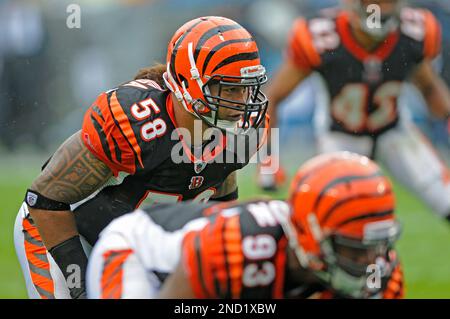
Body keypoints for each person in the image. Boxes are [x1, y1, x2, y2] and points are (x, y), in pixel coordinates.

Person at [14, 16, 270, 299]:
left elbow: (219, 192)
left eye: (247, 87)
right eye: (230, 88)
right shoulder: (136, 124)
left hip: (137, 243)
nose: (243, 102)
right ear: (189, 84)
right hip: (67, 233)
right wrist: (82, 288)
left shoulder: (242, 132)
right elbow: (46, 199)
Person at [87, 152, 404, 299]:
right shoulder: (242, 246)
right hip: (138, 257)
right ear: (309, 235)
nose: (369, 262)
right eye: (352, 248)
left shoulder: (382, 274)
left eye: (374, 246)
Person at [257, 0, 450, 221]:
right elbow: (272, 97)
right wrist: (268, 160)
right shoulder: (322, 38)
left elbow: (429, 87)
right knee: (335, 218)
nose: (380, 9)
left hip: (395, 133)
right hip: (340, 139)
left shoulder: (413, 33)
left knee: (446, 198)